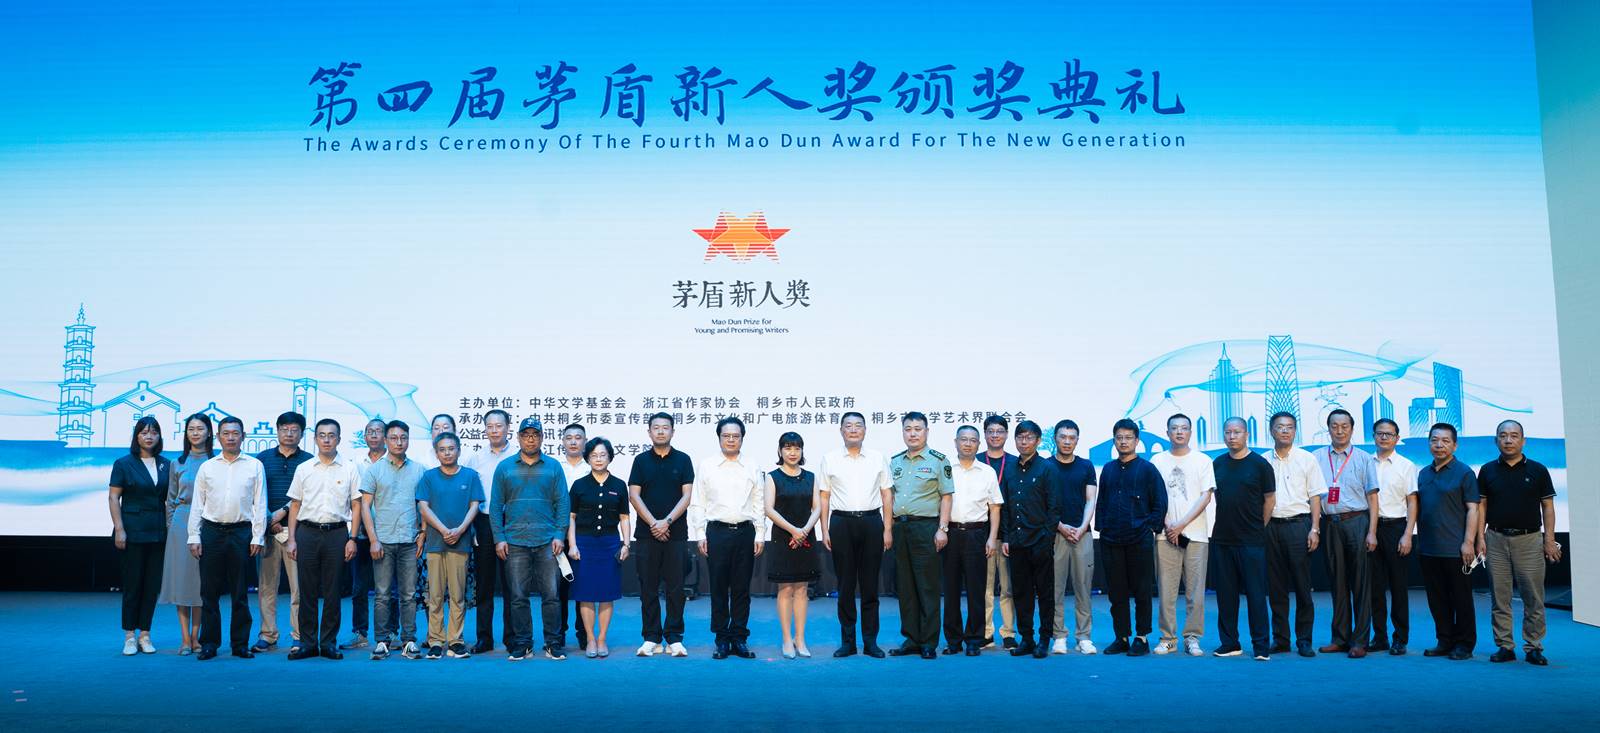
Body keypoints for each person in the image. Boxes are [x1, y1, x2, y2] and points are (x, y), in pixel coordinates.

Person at [1477, 419, 1559, 666]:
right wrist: (1480, 537)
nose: (1508, 440)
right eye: (1503, 436)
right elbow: (1482, 506)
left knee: (1533, 597)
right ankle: (1505, 646)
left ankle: (1533, 647)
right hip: (1495, 539)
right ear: (1496, 440)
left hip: (1530, 540)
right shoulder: (1487, 470)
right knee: (1499, 597)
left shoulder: (1538, 470)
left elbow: (1548, 506)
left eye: (1514, 436)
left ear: (1523, 441)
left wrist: (1549, 540)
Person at [491, 417, 571, 661]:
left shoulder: (553, 467)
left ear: (542, 438)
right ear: (518, 438)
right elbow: (495, 506)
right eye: (526, 435)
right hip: (515, 542)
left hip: (548, 542)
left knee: (552, 596)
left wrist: (560, 535)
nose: (530, 439)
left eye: (535, 435)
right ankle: (523, 643)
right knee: (517, 597)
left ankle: (553, 643)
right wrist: (499, 538)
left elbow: (563, 504)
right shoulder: (505, 468)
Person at [284, 419, 363, 660]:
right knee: (306, 590)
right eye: (322, 435)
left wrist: (352, 538)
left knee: (332, 590)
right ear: (315, 438)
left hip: (337, 534)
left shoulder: (349, 468)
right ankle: (307, 643)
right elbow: (295, 505)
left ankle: (328, 642)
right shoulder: (304, 468)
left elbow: (356, 505)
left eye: (331, 435)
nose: (327, 439)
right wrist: (292, 539)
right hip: (307, 533)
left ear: (339, 439)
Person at [189, 416, 267, 659]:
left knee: (240, 592)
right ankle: (209, 643)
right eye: (226, 433)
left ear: (243, 436)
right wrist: (194, 535)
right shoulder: (207, 467)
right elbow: (197, 504)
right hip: (211, 532)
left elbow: (260, 504)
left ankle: (240, 644)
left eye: (235, 433)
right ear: (218, 437)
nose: (231, 437)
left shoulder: (255, 465)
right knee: (209, 592)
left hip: (241, 533)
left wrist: (257, 537)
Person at [816, 412, 893, 658]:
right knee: (845, 586)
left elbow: (886, 495)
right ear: (841, 430)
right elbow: (824, 496)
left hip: (871, 522)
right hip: (841, 523)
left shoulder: (878, 458)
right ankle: (848, 642)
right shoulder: (830, 459)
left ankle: (870, 642)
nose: (853, 429)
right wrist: (824, 529)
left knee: (870, 586)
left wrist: (887, 529)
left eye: (858, 425)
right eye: (848, 426)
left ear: (865, 430)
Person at [690, 416, 767, 659]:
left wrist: (760, 533)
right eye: (726, 436)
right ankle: (722, 639)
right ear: (719, 438)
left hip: (745, 532)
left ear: (742, 439)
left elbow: (759, 501)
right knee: (719, 588)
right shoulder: (707, 465)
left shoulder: (752, 465)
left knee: (742, 589)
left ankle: (739, 638)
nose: (731, 440)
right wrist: (700, 534)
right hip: (717, 533)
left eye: (736, 436)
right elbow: (698, 502)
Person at [1096, 419, 1167, 656]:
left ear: (1137, 441)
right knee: (1116, 592)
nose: (1123, 442)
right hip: (1111, 539)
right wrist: (1102, 529)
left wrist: (1150, 528)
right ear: (1114, 441)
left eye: (1128, 438)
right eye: (1119, 438)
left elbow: (1160, 502)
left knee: (1142, 590)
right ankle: (1122, 637)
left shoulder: (1147, 469)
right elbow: (1102, 502)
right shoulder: (1108, 469)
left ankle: (1141, 637)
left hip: (1139, 538)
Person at [1313, 409, 1380, 658]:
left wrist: (1372, 532)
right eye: (1334, 426)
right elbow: (1313, 496)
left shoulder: (1364, 458)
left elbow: (1373, 498)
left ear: (1352, 429)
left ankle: (1360, 641)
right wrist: (1315, 527)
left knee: (1361, 583)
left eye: (1344, 426)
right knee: (1337, 582)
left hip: (1357, 521)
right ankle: (1340, 638)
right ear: (1328, 428)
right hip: (1330, 523)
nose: (1339, 431)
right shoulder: (1316, 457)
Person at [887, 412, 953, 660]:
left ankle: (928, 641)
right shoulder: (895, 461)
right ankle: (911, 639)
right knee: (905, 587)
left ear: (927, 431)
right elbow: (889, 497)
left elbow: (946, 496)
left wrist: (942, 529)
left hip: (926, 528)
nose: (912, 433)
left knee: (927, 586)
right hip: (900, 528)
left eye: (918, 429)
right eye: (908, 429)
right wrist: (888, 528)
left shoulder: (939, 460)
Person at [628, 412, 695, 658]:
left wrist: (666, 522)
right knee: (648, 587)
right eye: (655, 427)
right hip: (646, 535)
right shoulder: (640, 461)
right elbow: (634, 495)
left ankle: (674, 638)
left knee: (676, 588)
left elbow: (686, 496)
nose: (660, 431)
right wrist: (654, 524)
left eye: (665, 427)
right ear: (649, 432)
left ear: (672, 432)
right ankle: (651, 637)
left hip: (675, 534)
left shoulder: (683, 460)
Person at [1210, 417, 1276, 661]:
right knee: (1226, 596)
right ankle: (1230, 643)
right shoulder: (1217, 463)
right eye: (1228, 432)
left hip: (1251, 541)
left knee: (1256, 595)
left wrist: (1258, 526)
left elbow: (1269, 500)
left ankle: (1261, 646)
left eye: (1237, 432)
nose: (1232, 436)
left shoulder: (1260, 465)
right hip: (1222, 539)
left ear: (1246, 434)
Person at [1149, 413, 1215, 657]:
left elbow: (1205, 497)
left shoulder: (1203, 460)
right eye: (1174, 428)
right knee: (1166, 590)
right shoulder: (1157, 460)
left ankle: (1192, 638)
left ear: (1190, 432)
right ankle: (1168, 638)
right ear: (1167, 433)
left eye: (1184, 428)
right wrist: (1169, 525)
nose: (1179, 432)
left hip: (1196, 535)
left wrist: (1181, 525)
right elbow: (1154, 497)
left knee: (1195, 591)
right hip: (1165, 535)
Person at [361, 419, 426, 661]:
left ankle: (409, 640)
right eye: (394, 438)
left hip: (410, 540)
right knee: (382, 594)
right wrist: (373, 540)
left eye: (403, 438)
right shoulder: (374, 470)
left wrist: (423, 532)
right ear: (386, 440)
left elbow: (423, 505)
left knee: (409, 594)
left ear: (408, 440)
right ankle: (382, 641)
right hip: (383, 541)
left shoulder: (419, 470)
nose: (399, 442)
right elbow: (365, 507)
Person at [1262, 411, 1326, 656]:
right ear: (1272, 431)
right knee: (1276, 587)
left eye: (1290, 427)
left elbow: (1315, 496)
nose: (1285, 431)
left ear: (1295, 431)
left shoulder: (1307, 459)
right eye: (1280, 427)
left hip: (1299, 526)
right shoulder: (1262, 461)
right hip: (1271, 527)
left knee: (1302, 586)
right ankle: (1280, 639)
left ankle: (1304, 640)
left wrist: (1314, 528)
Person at [416, 431, 484, 660]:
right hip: (435, 543)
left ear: (459, 450)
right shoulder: (428, 477)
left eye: (451, 449)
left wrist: (460, 530)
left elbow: (474, 505)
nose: (447, 453)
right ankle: (435, 641)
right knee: (435, 595)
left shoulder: (470, 476)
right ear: (436, 453)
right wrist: (444, 530)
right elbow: (423, 507)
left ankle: (456, 641)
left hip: (460, 543)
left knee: (457, 594)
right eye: (442, 450)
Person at [1417, 423, 1480, 660]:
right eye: (1434, 440)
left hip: (1456, 548)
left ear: (1455, 445)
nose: (1439, 445)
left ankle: (1464, 644)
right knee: (1437, 599)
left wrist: (1468, 542)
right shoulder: (1423, 473)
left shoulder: (1464, 472)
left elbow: (1473, 509)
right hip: (1428, 548)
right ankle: (1444, 640)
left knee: (1461, 599)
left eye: (1445, 441)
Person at [109, 416, 170, 656]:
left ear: (159, 436)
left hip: (158, 532)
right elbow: (114, 497)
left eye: (154, 432)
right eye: (144, 432)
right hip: (132, 531)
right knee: (133, 585)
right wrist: (119, 528)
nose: (149, 436)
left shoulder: (166, 464)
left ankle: (145, 634)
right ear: (137, 436)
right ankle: (129, 636)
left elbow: (169, 499)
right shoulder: (123, 463)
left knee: (151, 586)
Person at [567, 437, 631, 659]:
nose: (598, 459)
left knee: (606, 595)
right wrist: (572, 545)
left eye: (603, 455)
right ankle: (590, 639)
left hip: (609, 545)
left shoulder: (619, 485)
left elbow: (624, 517)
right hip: (584, 544)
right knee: (585, 594)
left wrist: (626, 544)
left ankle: (602, 638)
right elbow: (571, 518)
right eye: (594, 455)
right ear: (587, 458)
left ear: (610, 457)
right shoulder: (579, 485)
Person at [999, 420, 1058, 659]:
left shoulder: (1047, 469)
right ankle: (1027, 639)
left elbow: (1054, 508)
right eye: (1020, 437)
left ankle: (1044, 639)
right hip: (1017, 541)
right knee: (1021, 593)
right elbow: (1005, 506)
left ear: (1038, 441)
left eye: (1029, 437)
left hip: (1040, 541)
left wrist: (1047, 538)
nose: (1024, 442)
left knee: (1045, 593)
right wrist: (1006, 537)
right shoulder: (1010, 469)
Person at [253, 411, 312, 653]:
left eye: (294, 430)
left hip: (297, 533)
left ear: (302, 433)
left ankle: (298, 635)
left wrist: (284, 513)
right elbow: (255, 493)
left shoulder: (309, 461)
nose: (289, 433)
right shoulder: (262, 459)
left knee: (299, 588)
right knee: (267, 587)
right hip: (268, 532)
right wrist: (270, 520)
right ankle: (268, 634)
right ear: (277, 431)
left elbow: (308, 495)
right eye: (284, 429)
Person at [942, 426, 1002, 656]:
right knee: (951, 590)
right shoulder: (945, 468)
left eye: (973, 440)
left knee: (977, 591)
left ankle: (975, 640)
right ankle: (953, 641)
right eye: (963, 439)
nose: (968, 444)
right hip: (950, 533)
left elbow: (994, 508)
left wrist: (992, 538)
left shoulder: (987, 472)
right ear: (955, 442)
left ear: (979, 444)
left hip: (977, 535)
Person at [764, 431, 821, 659]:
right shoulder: (772, 477)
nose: (792, 452)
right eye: (788, 448)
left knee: (802, 589)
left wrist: (804, 530)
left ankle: (800, 638)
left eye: (797, 448)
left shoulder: (811, 477)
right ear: (780, 451)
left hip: (806, 536)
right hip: (783, 537)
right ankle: (787, 639)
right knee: (786, 588)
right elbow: (769, 509)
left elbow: (817, 507)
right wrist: (794, 530)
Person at [464, 409, 517, 654]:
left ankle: (512, 638)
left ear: (508, 428)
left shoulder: (517, 456)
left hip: (511, 521)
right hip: (484, 522)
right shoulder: (476, 458)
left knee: (511, 585)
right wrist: (473, 526)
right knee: (484, 585)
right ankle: (484, 638)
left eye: (499, 425)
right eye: (490, 426)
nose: (494, 430)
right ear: (484, 429)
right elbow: (469, 494)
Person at [159, 413, 212, 656]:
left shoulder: (215, 461)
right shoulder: (176, 463)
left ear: (209, 432)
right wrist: (172, 526)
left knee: (199, 582)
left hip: (207, 522)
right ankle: (184, 638)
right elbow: (170, 499)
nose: (195, 433)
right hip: (181, 523)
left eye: (200, 428)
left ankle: (196, 636)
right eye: (191, 429)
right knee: (182, 582)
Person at [1049, 419, 1098, 655]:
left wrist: (1081, 527)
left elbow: (1091, 499)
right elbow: (1043, 503)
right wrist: (1060, 526)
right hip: (1054, 535)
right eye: (1063, 437)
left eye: (1072, 438)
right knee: (1055, 589)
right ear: (1055, 439)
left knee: (1083, 589)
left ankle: (1083, 637)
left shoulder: (1086, 466)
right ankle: (1059, 635)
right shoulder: (1046, 466)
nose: (1067, 441)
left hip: (1082, 535)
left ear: (1077, 440)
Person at [1369, 418, 1418, 655]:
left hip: (1396, 528)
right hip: (1370, 528)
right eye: (1379, 433)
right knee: (1374, 587)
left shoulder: (1406, 465)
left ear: (1397, 438)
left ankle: (1400, 638)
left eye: (1389, 434)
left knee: (1398, 587)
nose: (1384, 437)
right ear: (1373, 436)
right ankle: (1380, 637)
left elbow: (1412, 502)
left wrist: (1408, 534)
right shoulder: (1365, 462)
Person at [340, 418, 388, 651]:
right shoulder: (355, 463)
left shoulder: (395, 461)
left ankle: (390, 633)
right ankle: (360, 633)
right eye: (370, 431)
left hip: (388, 533)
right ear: (365, 436)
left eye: (379, 431)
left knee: (388, 590)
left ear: (386, 436)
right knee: (359, 588)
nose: (374, 435)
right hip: (360, 533)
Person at [978, 415, 1018, 650]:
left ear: (1006, 434)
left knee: (1008, 587)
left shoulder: (1015, 462)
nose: (995, 435)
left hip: (1008, 535)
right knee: (984, 587)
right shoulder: (975, 461)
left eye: (1000, 431)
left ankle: (1009, 632)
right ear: (984, 434)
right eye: (991, 431)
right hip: (980, 533)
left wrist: (1011, 536)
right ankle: (985, 632)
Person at [557, 423, 591, 650]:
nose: (573, 441)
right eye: (568, 437)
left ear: (585, 442)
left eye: (578, 437)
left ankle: (583, 633)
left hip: (584, 534)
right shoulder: (554, 468)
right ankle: (558, 633)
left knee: (582, 587)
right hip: (558, 533)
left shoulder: (591, 468)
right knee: (558, 588)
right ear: (562, 442)